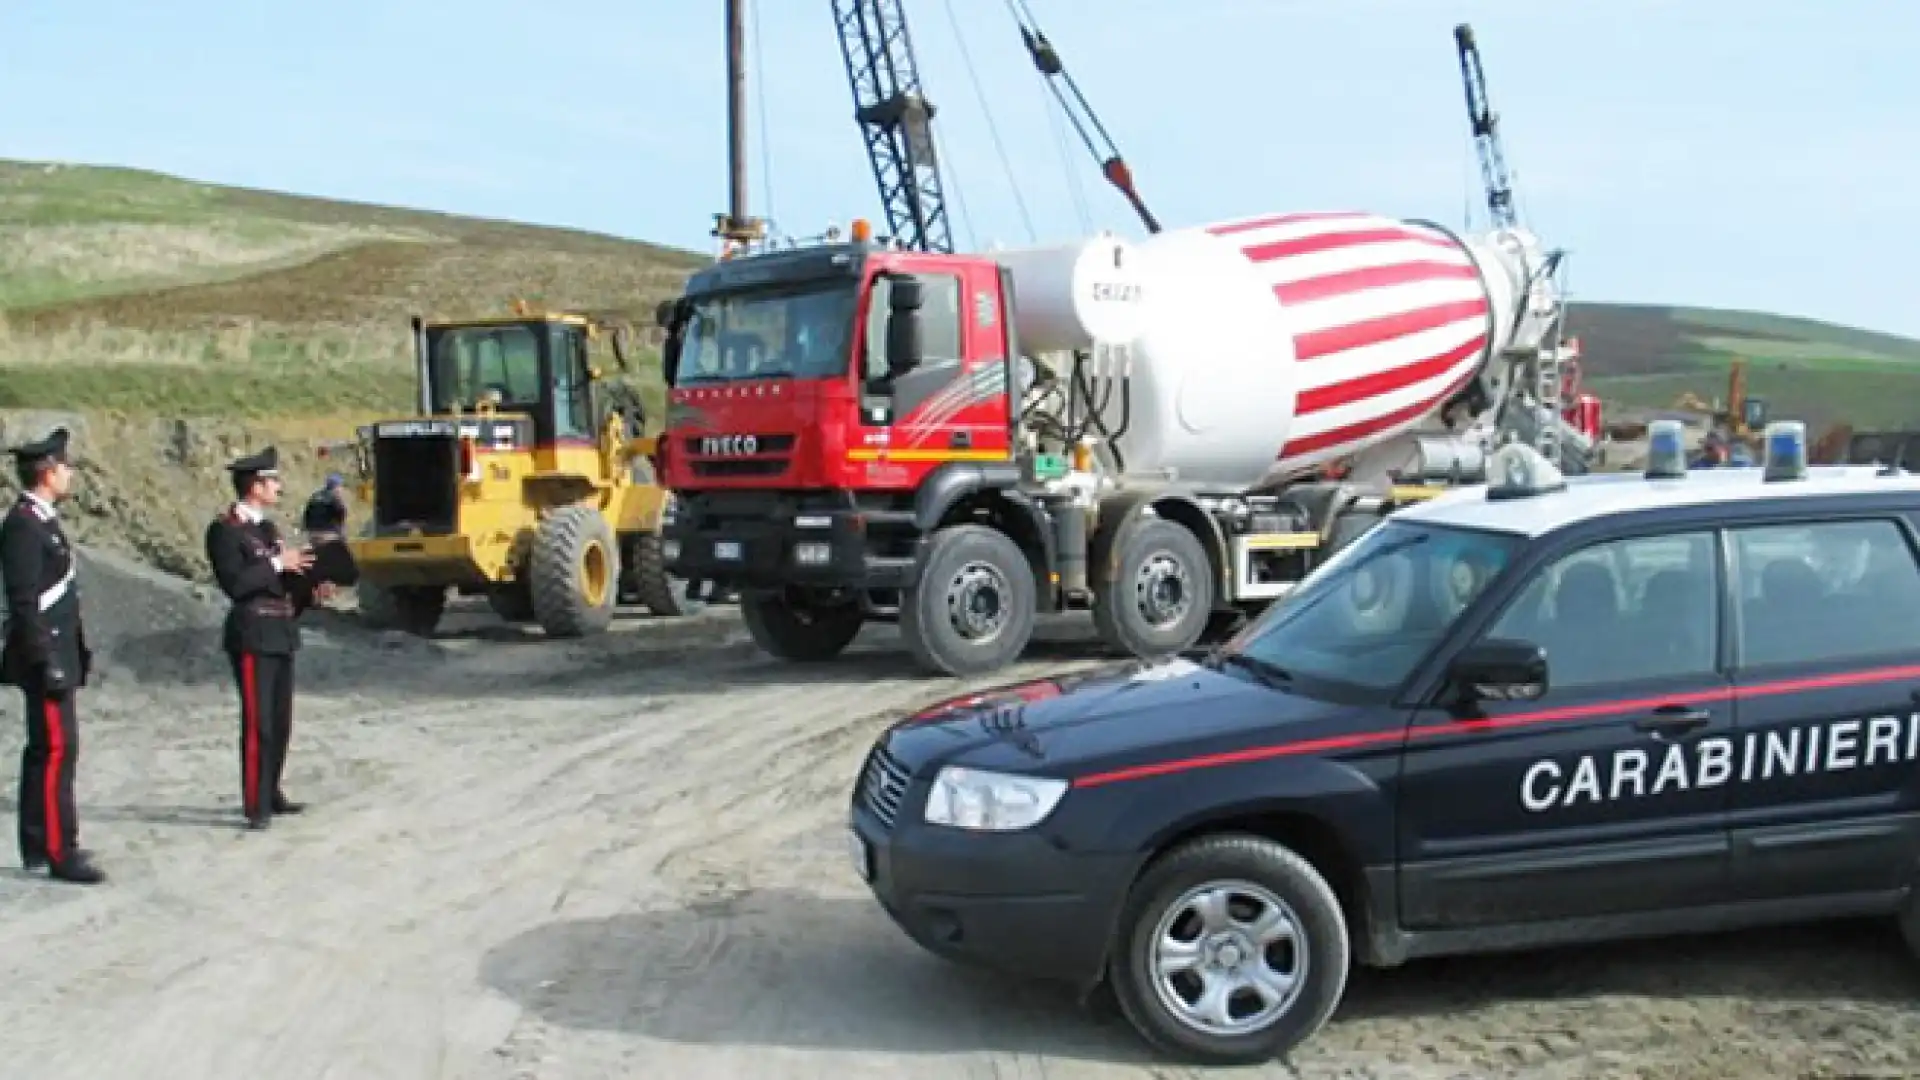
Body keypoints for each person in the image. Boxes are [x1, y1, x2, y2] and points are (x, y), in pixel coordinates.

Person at [1, 427, 104, 884]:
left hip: (57, 649)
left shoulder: (40, 520)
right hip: (44, 656)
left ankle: (39, 841)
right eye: (64, 466)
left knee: (44, 751)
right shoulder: (24, 525)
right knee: (58, 750)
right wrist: (47, 658)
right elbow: (25, 601)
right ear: (46, 472)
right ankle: (62, 849)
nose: (70, 473)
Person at [204, 446, 315, 830]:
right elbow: (237, 582)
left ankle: (272, 789)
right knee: (259, 722)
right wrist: (274, 564)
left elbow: (278, 581)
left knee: (281, 721)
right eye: (273, 481)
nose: (279, 488)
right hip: (252, 630)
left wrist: (306, 584)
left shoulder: (267, 530)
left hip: (280, 628)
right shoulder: (225, 530)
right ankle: (255, 802)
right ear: (254, 486)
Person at [301, 473, 348, 538]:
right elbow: (341, 515)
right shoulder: (335, 498)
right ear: (336, 487)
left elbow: (306, 513)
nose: (341, 489)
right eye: (340, 486)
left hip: (312, 533)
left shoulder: (315, 496)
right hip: (328, 534)